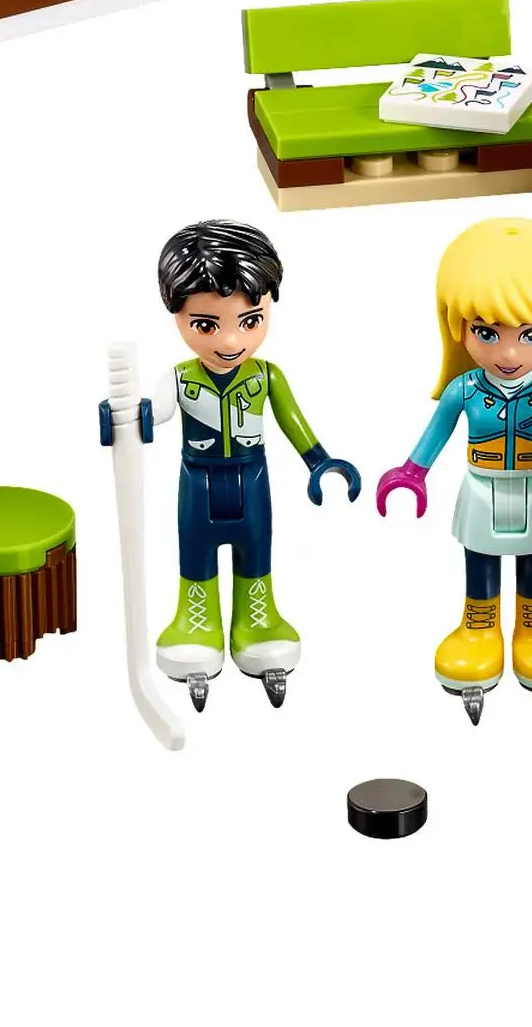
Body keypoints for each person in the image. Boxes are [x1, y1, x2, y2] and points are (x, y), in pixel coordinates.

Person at [376, 217, 532, 723]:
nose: (509, 353)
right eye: (487, 333)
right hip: (481, 488)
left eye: (531, 333)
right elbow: (436, 432)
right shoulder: (465, 389)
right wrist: (412, 472)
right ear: (459, 327)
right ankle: (479, 626)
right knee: (481, 561)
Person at [153, 219, 357, 709]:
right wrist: (128, 414)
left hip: (253, 480)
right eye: (207, 324)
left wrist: (320, 462)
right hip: (197, 484)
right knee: (195, 558)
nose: (229, 341)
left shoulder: (267, 376)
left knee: (256, 554)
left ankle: (257, 620)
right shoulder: (179, 378)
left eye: (249, 321)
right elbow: (154, 412)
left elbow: (293, 421)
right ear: (177, 314)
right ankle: (196, 622)